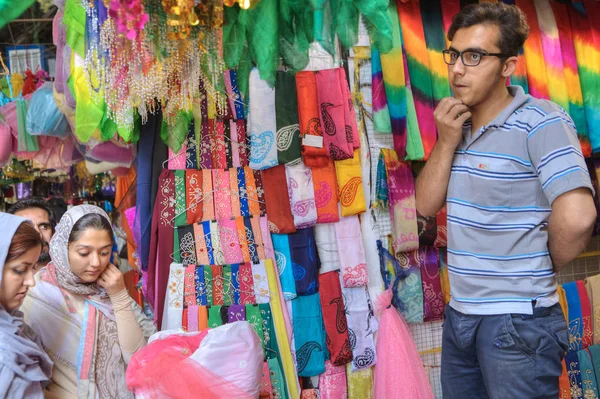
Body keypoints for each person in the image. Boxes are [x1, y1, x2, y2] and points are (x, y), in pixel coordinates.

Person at [415, 3, 597, 398]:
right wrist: (445, 141)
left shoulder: (542, 120)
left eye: (474, 56)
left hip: (517, 321)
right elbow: (425, 206)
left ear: (508, 65)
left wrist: (541, 262)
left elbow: (580, 216)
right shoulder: (456, 124)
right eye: (454, 54)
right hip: (461, 316)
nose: (458, 68)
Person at [21, 205, 156, 398]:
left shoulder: (110, 288)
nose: (96, 263)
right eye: (84, 253)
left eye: (104, 252)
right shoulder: (36, 294)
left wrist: (118, 296)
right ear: (63, 248)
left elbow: (138, 358)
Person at [0, 213, 53, 398]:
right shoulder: (4, 351)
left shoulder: (16, 327)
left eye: (32, 269)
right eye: (20, 270)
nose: (31, 281)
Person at [8, 197, 56, 271]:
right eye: (26, 228)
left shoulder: (69, 278)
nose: (38, 235)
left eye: (44, 227)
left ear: (53, 233)